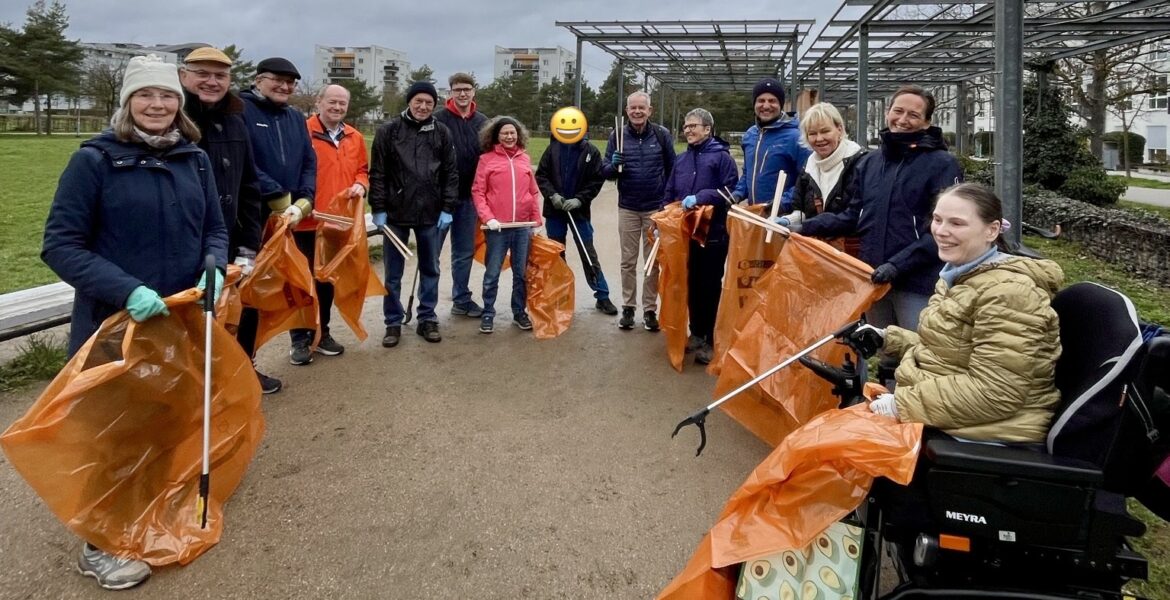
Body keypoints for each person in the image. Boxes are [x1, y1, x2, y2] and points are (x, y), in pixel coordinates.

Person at [41, 54, 228, 591]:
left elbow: (214, 228)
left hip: (180, 320)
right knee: (112, 434)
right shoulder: (94, 161)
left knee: (168, 422)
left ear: (179, 102)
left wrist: (214, 267)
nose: (158, 105)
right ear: (127, 101)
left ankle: (149, 510)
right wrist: (126, 289)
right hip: (115, 324)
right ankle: (98, 545)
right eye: (146, 95)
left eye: (167, 96)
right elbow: (60, 245)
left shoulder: (193, 159)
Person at [855, 182, 1063, 442]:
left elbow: (997, 391)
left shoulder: (1008, 294)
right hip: (955, 410)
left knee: (825, 455)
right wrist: (887, 338)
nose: (941, 231)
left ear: (992, 230)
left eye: (957, 224)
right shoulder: (958, 275)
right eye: (938, 220)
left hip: (990, 430)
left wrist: (900, 404)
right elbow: (952, 350)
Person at [799, 85, 963, 335]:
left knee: (916, 350)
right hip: (874, 276)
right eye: (898, 111)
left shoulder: (942, 165)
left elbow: (944, 231)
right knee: (883, 347)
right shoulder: (871, 163)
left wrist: (897, 265)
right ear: (888, 112)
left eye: (913, 115)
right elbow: (852, 216)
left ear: (927, 122)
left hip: (916, 283)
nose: (903, 120)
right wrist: (803, 227)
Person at [178, 46, 281, 394]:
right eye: (202, 74)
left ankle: (241, 370)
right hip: (187, 245)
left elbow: (249, 185)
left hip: (232, 240)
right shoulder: (172, 117)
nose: (211, 81)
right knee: (192, 322)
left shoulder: (236, 118)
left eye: (220, 75)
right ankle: (197, 390)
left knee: (240, 310)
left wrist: (249, 246)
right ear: (183, 76)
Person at [239, 57, 318, 366]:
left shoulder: (295, 117)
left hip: (290, 218)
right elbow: (244, 162)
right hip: (253, 216)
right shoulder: (241, 111)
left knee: (295, 281)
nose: (285, 87)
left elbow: (308, 161)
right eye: (278, 80)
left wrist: (304, 201)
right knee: (250, 289)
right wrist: (276, 195)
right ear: (258, 80)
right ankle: (246, 363)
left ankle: (301, 340)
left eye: (291, 82)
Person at [369, 81, 459, 347]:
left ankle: (427, 317)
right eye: (418, 101)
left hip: (431, 213)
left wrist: (447, 207)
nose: (423, 106)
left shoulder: (442, 132)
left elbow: (450, 173)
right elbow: (378, 173)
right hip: (396, 214)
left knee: (430, 267)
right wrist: (379, 208)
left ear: (434, 105)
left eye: (429, 103)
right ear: (409, 101)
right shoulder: (389, 131)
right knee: (393, 272)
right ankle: (393, 321)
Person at [660, 108, 739, 365]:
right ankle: (696, 331)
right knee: (691, 284)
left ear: (708, 129)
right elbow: (670, 191)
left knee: (710, 285)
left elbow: (730, 190)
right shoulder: (681, 161)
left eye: (693, 126)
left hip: (713, 234)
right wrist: (664, 214)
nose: (688, 130)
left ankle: (711, 339)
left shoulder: (722, 158)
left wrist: (703, 197)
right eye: (685, 126)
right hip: (686, 236)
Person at [303, 84, 369, 359]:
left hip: (338, 223)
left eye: (342, 103)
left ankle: (323, 332)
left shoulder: (355, 137)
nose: (337, 107)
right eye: (332, 101)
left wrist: (360, 185)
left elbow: (363, 171)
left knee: (327, 281)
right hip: (306, 221)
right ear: (319, 101)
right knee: (302, 283)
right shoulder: (303, 132)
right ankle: (301, 338)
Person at [602, 91, 675, 330]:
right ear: (626, 111)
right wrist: (613, 165)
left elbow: (672, 169)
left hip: (654, 208)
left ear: (649, 110)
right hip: (628, 208)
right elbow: (605, 171)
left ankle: (650, 309)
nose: (637, 112)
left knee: (652, 262)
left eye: (641, 108)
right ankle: (628, 307)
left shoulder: (661, 135)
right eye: (632, 108)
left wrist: (667, 202)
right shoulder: (617, 135)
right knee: (628, 261)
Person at [536, 106, 612, 315]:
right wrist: (552, 195)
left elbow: (596, 180)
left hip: (579, 212)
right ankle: (561, 296)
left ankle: (602, 295)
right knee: (557, 254)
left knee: (588, 254)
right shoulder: (552, 150)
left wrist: (579, 200)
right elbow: (542, 176)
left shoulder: (591, 151)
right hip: (555, 212)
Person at [471, 116, 542, 334]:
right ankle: (488, 312)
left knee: (520, 273)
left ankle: (519, 312)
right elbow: (478, 192)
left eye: (512, 133)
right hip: (498, 228)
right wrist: (488, 217)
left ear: (518, 135)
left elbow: (532, 192)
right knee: (492, 273)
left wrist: (536, 220)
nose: (509, 136)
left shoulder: (524, 159)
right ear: (496, 136)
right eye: (505, 133)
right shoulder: (486, 160)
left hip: (522, 227)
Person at [773, 102, 866, 256]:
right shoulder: (809, 168)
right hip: (817, 253)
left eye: (825, 131)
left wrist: (806, 227)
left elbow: (854, 216)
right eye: (812, 133)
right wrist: (789, 221)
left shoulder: (860, 164)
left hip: (851, 256)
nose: (819, 138)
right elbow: (802, 211)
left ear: (839, 129)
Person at [434, 72, 489, 318]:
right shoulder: (438, 120)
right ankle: (427, 305)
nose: (462, 93)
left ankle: (461, 298)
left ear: (473, 91)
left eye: (466, 89)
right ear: (450, 92)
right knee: (431, 252)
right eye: (457, 90)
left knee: (463, 252)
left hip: (469, 198)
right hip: (440, 199)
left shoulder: (483, 122)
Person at [730, 78, 809, 210]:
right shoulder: (750, 135)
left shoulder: (796, 137)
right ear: (754, 104)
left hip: (783, 217)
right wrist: (738, 193)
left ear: (781, 104)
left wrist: (782, 202)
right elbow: (747, 172)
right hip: (755, 213)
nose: (766, 106)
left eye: (772, 101)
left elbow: (807, 180)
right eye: (761, 101)